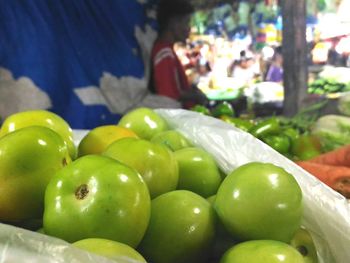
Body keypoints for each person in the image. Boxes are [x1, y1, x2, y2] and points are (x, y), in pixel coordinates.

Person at [149, 0, 208, 108]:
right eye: (186, 22)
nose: (189, 28)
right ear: (173, 23)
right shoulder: (164, 54)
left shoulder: (166, 50)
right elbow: (169, 96)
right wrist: (195, 96)